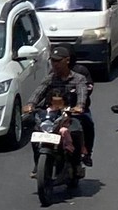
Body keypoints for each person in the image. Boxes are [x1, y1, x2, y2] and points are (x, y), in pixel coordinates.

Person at [24, 45, 88, 178]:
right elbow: (38, 92)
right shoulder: (50, 78)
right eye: (53, 61)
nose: (55, 64)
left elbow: (82, 94)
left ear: (67, 61)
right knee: (35, 132)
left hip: (70, 116)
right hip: (51, 115)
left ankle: (76, 164)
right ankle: (38, 164)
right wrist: (30, 104)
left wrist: (79, 106)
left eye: (58, 61)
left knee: (76, 131)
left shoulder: (78, 79)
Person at [69, 47, 95, 166]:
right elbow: (44, 89)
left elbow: (88, 87)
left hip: (78, 110)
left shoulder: (81, 71)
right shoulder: (54, 73)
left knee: (88, 124)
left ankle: (87, 153)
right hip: (58, 110)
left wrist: (78, 102)